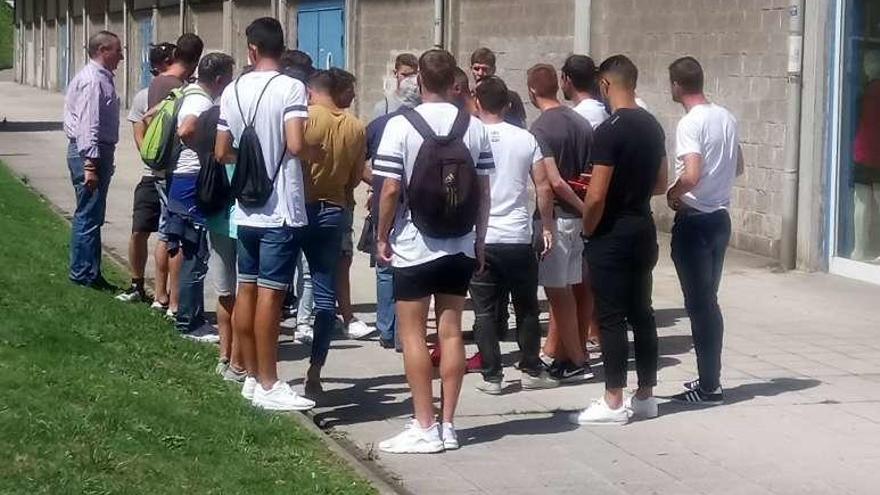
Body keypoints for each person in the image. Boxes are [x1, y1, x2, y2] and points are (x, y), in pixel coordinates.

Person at [375, 49, 493, 454]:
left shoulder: (400, 125)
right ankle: (448, 424)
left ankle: (423, 424)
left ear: (419, 81)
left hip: (414, 244)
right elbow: (483, 191)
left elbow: (390, 188)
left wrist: (382, 235)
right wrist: (479, 239)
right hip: (460, 243)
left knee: (412, 334)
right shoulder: (473, 127)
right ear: (454, 83)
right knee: (451, 331)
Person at [215, 17, 315, 411]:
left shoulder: (233, 89)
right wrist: (315, 152)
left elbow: (222, 151)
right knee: (272, 297)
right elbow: (294, 144)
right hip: (281, 208)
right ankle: (270, 382)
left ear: (252, 49)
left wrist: (250, 160)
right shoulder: (291, 87)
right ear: (281, 47)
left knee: (247, 290)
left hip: (247, 208)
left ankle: (250, 375)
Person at [572, 55, 667, 425]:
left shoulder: (609, 130)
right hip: (643, 226)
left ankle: (613, 400)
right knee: (642, 311)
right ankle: (646, 395)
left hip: (612, 231)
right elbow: (661, 182)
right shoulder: (652, 125)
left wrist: (588, 228)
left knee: (610, 315)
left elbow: (595, 194)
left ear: (606, 85)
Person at [469, 76, 559, 394]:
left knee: (483, 310)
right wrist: (546, 225)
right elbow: (544, 186)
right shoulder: (525, 138)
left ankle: (493, 376)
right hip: (519, 236)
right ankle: (532, 369)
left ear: (477, 103)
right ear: (507, 105)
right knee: (526, 307)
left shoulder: (470, 137)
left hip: (482, 237)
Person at [666, 57, 742, 405]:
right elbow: (738, 165)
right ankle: (709, 377)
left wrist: (673, 193)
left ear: (677, 86)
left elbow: (692, 174)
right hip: (720, 219)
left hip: (695, 221)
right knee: (708, 301)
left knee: (700, 305)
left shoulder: (690, 123)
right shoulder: (726, 117)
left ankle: (710, 387)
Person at [298, 68, 369, 397]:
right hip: (335, 208)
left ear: (312, 91)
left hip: (300, 206)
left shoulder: (305, 118)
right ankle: (315, 371)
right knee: (326, 293)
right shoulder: (355, 126)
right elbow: (356, 178)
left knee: (274, 284)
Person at [526, 63, 593, 382]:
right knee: (567, 287)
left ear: (531, 91)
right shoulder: (581, 122)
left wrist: (577, 207)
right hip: (578, 222)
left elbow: (554, 182)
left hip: (558, 219)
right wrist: (587, 210)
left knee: (558, 292)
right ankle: (566, 355)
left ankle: (578, 360)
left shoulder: (540, 129)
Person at [165, 52, 235, 342]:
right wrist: (206, 152)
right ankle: (190, 322)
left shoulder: (189, 93)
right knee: (195, 252)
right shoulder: (202, 102)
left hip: (183, 179)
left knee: (189, 249)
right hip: (191, 180)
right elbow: (186, 130)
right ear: (219, 79)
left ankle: (186, 314)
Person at [146, 33, 205, 319]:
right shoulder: (180, 88)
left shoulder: (158, 82)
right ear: (196, 61)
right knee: (177, 236)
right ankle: (175, 302)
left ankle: (161, 295)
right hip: (175, 169)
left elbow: (146, 119)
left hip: (159, 167)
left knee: (166, 232)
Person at [363, 74, 421, 350]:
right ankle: (403, 333)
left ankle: (386, 329)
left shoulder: (380, 125)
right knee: (409, 270)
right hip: (415, 206)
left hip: (384, 206)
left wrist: (374, 180)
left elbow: (356, 160)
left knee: (385, 269)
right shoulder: (426, 126)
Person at [63, 31, 123, 289]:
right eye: (118, 50)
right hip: (90, 153)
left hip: (96, 152)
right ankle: (83, 274)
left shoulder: (100, 78)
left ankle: (91, 271)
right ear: (103, 50)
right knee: (88, 215)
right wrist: (90, 165)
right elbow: (89, 125)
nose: (121, 56)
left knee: (93, 215)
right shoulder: (92, 81)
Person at [116, 42, 175, 304]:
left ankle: (170, 294)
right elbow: (138, 131)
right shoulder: (144, 96)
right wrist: (152, 155)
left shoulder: (183, 91)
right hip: (151, 174)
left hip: (175, 176)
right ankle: (137, 284)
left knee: (171, 236)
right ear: (161, 65)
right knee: (140, 230)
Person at [559, 54, 606, 353]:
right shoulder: (602, 111)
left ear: (567, 79)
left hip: (582, 204)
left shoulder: (582, 117)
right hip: (596, 202)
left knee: (577, 279)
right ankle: (592, 333)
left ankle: (577, 341)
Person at [470, 47, 528, 128]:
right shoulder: (468, 97)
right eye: (476, 68)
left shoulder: (511, 97)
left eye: (485, 69)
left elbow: (521, 126)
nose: (480, 73)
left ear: (493, 70)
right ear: (471, 69)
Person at [372, 52, 418, 119]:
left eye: (413, 75)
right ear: (395, 73)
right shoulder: (383, 107)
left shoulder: (423, 105)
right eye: (404, 75)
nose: (409, 79)